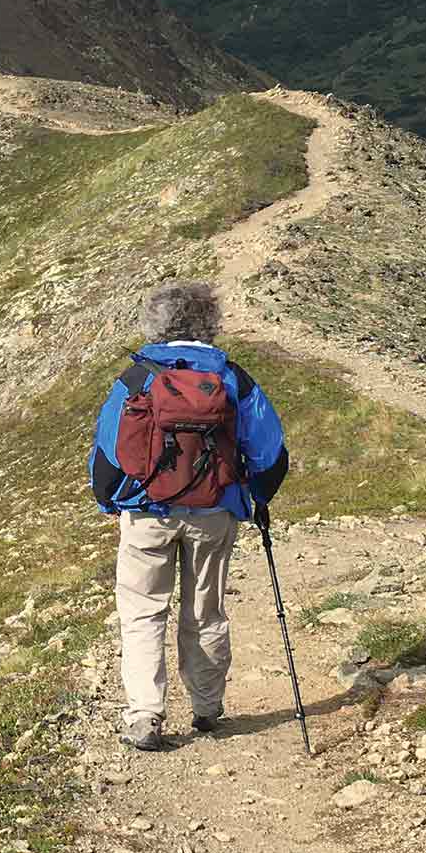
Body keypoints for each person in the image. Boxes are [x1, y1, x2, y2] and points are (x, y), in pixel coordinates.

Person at [89, 281, 289, 751]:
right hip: (215, 509)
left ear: (156, 324)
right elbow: (270, 451)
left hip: (145, 511)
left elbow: (107, 450)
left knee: (142, 612)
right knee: (205, 609)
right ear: (210, 324)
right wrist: (256, 498)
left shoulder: (137, 378)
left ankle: (144, 714)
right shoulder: (233, 378)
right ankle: (206, 706)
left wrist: (111, 501)